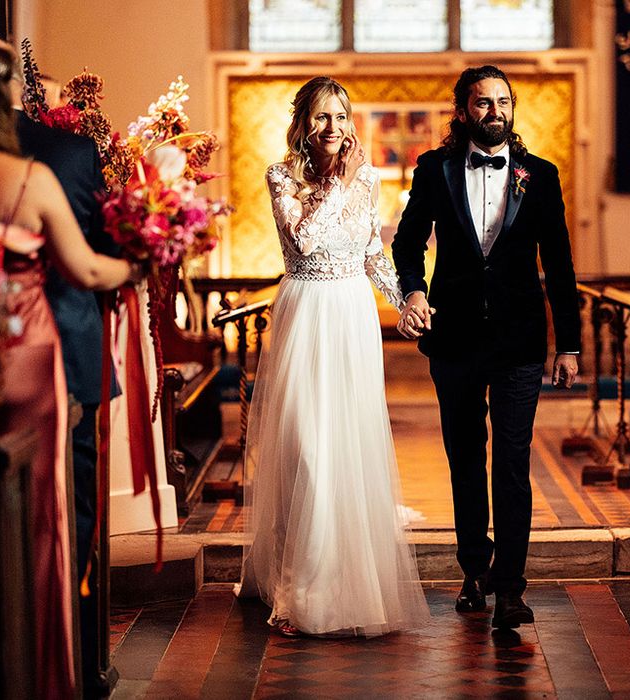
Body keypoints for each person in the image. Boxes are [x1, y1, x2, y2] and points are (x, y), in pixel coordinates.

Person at [0, 36, 141, 698]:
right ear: (6, 90)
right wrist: (144, 259)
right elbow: (88, 265)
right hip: (35, 357)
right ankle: (58, 664)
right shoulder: (45, 166)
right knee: (54, 516)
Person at [393, 65, 581, 629]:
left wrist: (567, 345)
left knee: (514, 461)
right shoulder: (434, 169)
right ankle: (474, 572)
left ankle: (511, 589)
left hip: (520, 342)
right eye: (482, 102)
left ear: (512, 107)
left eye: (502, 101)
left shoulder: (541, 176)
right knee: (465, 460)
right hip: (453, 341)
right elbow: (406, 242)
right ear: (463, 110)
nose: (494, 111)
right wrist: (413, 291)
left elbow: (561, 266)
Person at [240, 76, 430, 637]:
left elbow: (372, 250)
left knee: (347, 446)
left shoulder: (368, 181)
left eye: (342, 117)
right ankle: (297, 585)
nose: (334, 128)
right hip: (305, 311)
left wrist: (405, 303)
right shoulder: (283, 177)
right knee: (305, 448)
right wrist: (336, 184)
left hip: (350, 315)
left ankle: (346, 585)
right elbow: (303, 241)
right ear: (303, 125)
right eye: (322, 117)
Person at [14, 69, 118, 698]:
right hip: (63, 353)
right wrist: (149, 251)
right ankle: (71, 655)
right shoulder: (70, 155)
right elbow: (93, 256)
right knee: (72, 507)